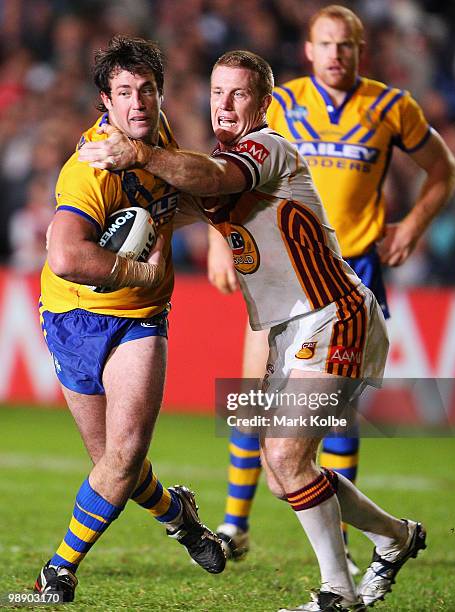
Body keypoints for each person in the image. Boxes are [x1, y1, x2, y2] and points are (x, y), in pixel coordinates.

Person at [79, 48, 431, 611]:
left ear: (265, 103)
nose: (225, 104)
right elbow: (181, 194)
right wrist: (104, 171)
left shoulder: (265, 148)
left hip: (334, 314)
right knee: (281, 472)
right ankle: (395, 537)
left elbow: (211, 176)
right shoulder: (221, 159)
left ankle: (337, 593)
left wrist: (139, 152)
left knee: (289, 459)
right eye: (217, 92)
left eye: (239, 93)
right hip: (289, 329)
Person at [205, 3, 455, 572]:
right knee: (253, 395)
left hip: (352, 269)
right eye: (325, 43)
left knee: (333, 413)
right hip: (279, 268)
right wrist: (223, 241)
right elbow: (228, 174)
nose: (335, 54)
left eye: (346, 44)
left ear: (359, 50)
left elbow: (444, 169)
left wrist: (413, 225)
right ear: (308, 50)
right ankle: (234, 523)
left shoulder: (392, 107)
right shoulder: (280, 101)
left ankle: (341, 539)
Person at [35, 35, 225, 603]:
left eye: (147, 90)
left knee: (122, 457)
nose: (138, 102)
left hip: (141, 319)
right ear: (105, 102)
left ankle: (57, 571)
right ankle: (181, 517)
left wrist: (214, 220)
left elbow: (189, 187)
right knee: (115, 468)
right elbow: (67, 255)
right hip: (72, 315)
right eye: (125, 93)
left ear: (161, 94)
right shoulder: (89, 169)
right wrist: (139, 272)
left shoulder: (158, 138)